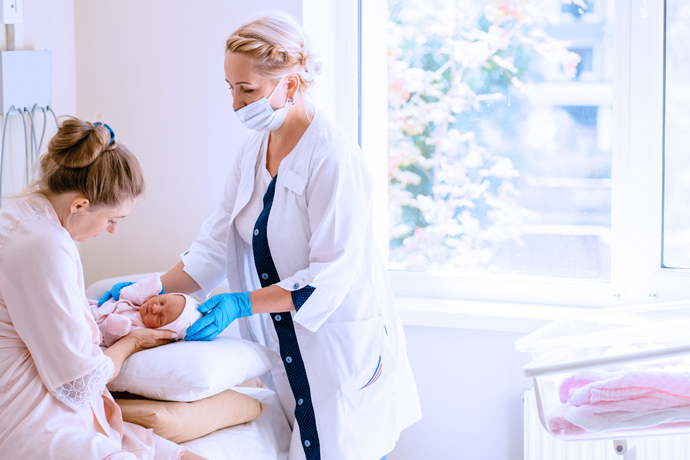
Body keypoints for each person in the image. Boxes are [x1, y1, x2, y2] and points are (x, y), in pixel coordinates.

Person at [100, 11, 421, 460]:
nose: (234, 104)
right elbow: (214, 244)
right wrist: (145, 290)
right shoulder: (254, 148)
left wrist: (240, 302)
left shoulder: (333, 160)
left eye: (246, 89)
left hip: (341, 350)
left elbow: (328, 278)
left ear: (290, 84)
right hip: (289, 347)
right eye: (230, 87)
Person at [0, 117, 206, 460]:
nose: (112, 230)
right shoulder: (45, 244)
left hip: (55, 413)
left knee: (176, 453)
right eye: (113, 219)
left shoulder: (20, 216)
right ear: (80, 205)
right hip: (36, 423)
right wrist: (132, 341)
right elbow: (77, 385)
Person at [92, 273, 202, 347]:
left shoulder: (138, 329)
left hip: (92, 330)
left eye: (160, 317)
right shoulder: (139, 301)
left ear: (161, 329)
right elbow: (127, 292)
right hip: (91, 308)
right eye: (162, 301)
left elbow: (109, 342)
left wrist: (115, 329)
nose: (154, 308)